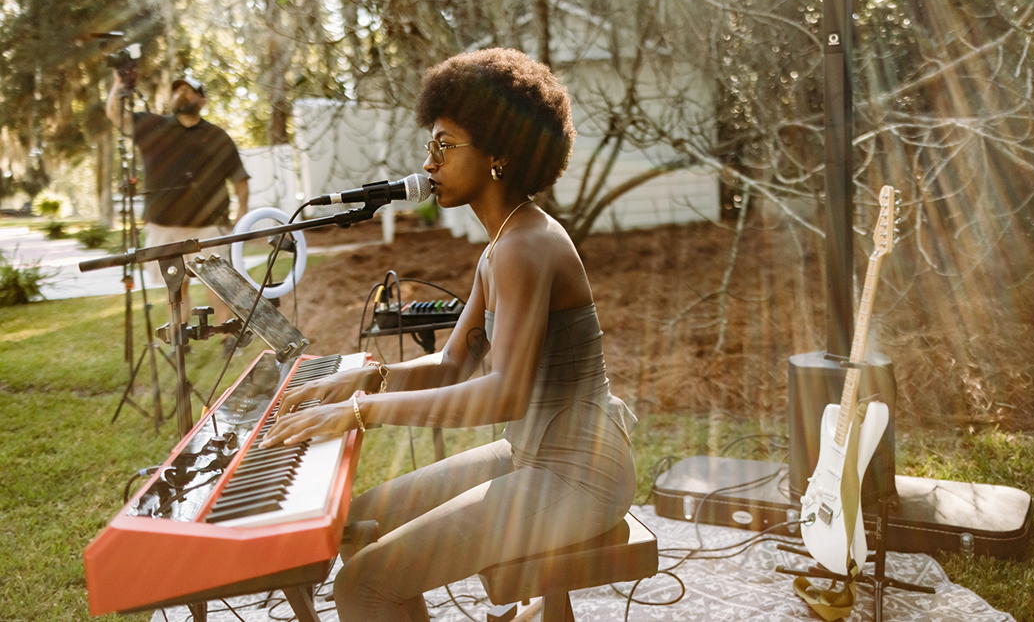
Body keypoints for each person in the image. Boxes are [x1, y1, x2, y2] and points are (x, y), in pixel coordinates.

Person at [262, 48, 638, 622]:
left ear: (499, 155)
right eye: (430, 146)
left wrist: (361, 411)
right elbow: (451, 364)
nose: (429, 162)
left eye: (444, 145)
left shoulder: (525, 247)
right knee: (361, 526)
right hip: (532, 454)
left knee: (363, 585)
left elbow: (503, 395)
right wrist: (365, 378)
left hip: (581, 474)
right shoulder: (503, 244)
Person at [106, 72, 250, 340]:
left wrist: (242, 213)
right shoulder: (153, 126)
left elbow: (240, 178)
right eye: (177, 90)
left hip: (208, 227)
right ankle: (180, 340)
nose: (181, 93)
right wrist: (118, 84)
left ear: (202, 100)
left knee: (219, 286)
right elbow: (116, 114)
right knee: (175, 288)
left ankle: (227, 339)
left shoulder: (217, 136)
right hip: (165, 226)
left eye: (189, 90)